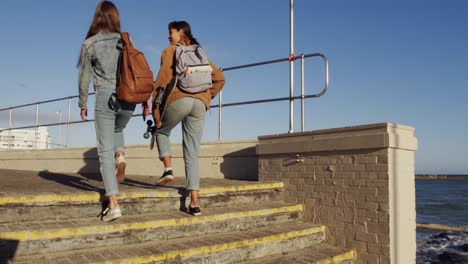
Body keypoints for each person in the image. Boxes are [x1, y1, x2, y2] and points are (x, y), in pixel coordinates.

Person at [78, 0, 150, 222]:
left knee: (104, 152)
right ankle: (121, 155)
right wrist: (145, 100)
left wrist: (83, 104)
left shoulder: (90, 43)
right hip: (129, 98)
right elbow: (137, 70)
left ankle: (114, 204)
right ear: (116, 17)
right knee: (118, 127)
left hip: (104, 97)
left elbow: (84, 78)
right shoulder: (125, 40)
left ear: (97, 17)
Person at [152, 21, 225, 216]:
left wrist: (156, 112)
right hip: (200, 104)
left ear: (181, 32)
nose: (168, 36)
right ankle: (194, 202)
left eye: (171, 32)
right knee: (192, 152)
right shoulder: (200, 53)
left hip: (179, 99)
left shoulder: (170, 51)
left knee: (161, 130)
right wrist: (206, 97)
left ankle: (168, 169)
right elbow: (220, 78)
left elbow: (161, 82)